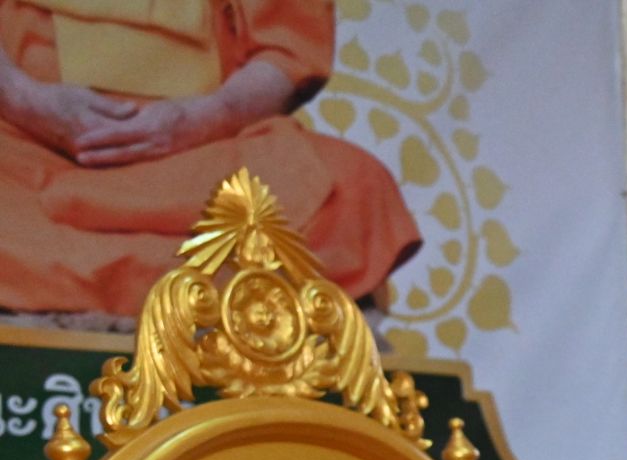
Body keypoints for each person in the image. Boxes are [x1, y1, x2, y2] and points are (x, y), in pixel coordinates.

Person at [0, 0, 418, 316]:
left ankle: (100, 272)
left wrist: (202, 119)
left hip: (197, 158)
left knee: (352, 187)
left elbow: (285, 52)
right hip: (26, 148)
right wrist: (25, 101)